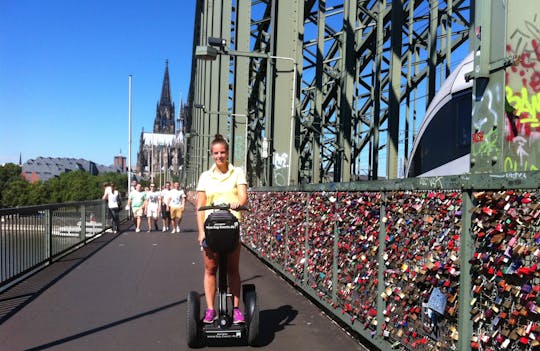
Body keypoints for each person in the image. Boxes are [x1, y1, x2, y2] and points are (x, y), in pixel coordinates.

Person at [196, 134, 248, 324]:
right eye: (216, 153)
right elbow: (200, 206)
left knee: (233, 269)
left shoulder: (237, 172)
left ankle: (235, 310)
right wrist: (201, 232)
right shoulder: (205, 176)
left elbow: (243, 197)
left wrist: (237, 203)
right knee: (211, 268)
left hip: (232, 225)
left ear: (227, 153)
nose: (219, 156)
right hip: (211, 227)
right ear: (212, 154)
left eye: (222, 152)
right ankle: (210, 310)